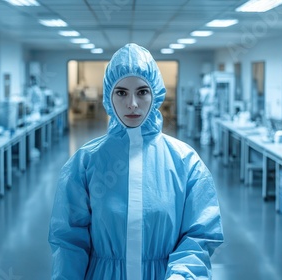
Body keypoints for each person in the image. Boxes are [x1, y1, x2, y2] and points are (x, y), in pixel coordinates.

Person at [48, 43, 224, 280]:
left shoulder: (185, 162)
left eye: (142, 92)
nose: (132, 103)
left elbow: (199, 235)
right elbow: (68, 242)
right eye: (121, 92)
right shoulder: (85, 162)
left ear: (155, 94)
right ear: (109, 97)